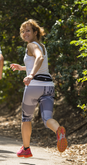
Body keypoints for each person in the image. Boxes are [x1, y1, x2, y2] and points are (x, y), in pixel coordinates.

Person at [10, 19, 67, 157]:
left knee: (26, 118)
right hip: (48, 86)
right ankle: (58, 131)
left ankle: (26, 149)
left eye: (28, 30)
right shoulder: (42, 45)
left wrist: (30, 75)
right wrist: (23, 68)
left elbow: (39, 58)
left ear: (36, 32)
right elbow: (39, 63)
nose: (25, 33)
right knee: (47, 118)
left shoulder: (31, 45)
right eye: (23, 31)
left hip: (34, 86)